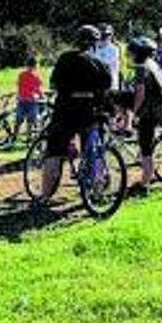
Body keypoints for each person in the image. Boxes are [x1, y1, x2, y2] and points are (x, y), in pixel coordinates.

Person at [41, 25, 112, 202]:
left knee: (54, 153)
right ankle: (97, 191)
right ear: (95, 44)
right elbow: (106, 90)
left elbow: (54, 84)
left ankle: (44, 196)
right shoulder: (100, 65)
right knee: (95, 151)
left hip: (65, 110)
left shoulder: (65, 59)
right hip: (90, 112)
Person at [127, 36, 162, 196]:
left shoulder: (141, 68)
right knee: (147, 146)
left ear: (138, 54)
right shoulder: (152, 64)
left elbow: (139, 94)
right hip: (158, 108)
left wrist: (134, 113)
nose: (130, 55)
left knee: (146, 149)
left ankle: (144, 184)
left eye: (131, 52)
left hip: (150, 111)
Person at [11, 56, 44, 144]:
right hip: (32, 101)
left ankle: (14, 137)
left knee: (18, 121)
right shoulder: (36, 76)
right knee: (30, 121)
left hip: (21, 100)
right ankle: (28, 139)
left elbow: (19, 86)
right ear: (35, 66)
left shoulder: (21, 75)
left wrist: (19, 94)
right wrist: (42, 97)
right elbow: (38, 89)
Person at [94, 23, 121, 91]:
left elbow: (104, 66)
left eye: (107, 35)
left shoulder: (114, 49)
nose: (104, 37)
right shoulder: (92, 48)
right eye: (102, 35)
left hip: (109, 85)